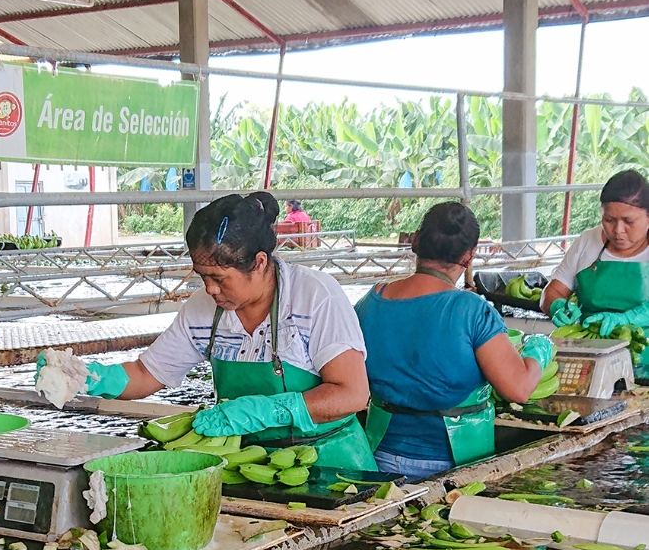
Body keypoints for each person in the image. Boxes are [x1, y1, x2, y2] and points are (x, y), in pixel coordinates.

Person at [47, 192, 376, 470]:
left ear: (259, 263)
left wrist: (267, 410)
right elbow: (147, 373)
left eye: (219, 278)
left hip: (330, 463)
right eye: (202, 276)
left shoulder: (314, 296)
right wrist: (86, 377)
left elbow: (352, 393)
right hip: (248, 463)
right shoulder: (202, 309)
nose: (210, 290)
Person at [355, 202, 554, 482]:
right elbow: (519, 389)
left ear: (415, 243)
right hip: (454, 467)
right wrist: (538, 350)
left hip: (379, 458)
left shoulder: (370, 301)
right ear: (469, 255)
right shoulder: (471, 310)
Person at [542, 170, 649, 376]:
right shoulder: (587, 242)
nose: (618, 230)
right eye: (609, 220)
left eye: (629, 221)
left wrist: (627, 319)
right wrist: (556, 306)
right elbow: (552, 291)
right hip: (591, 365)